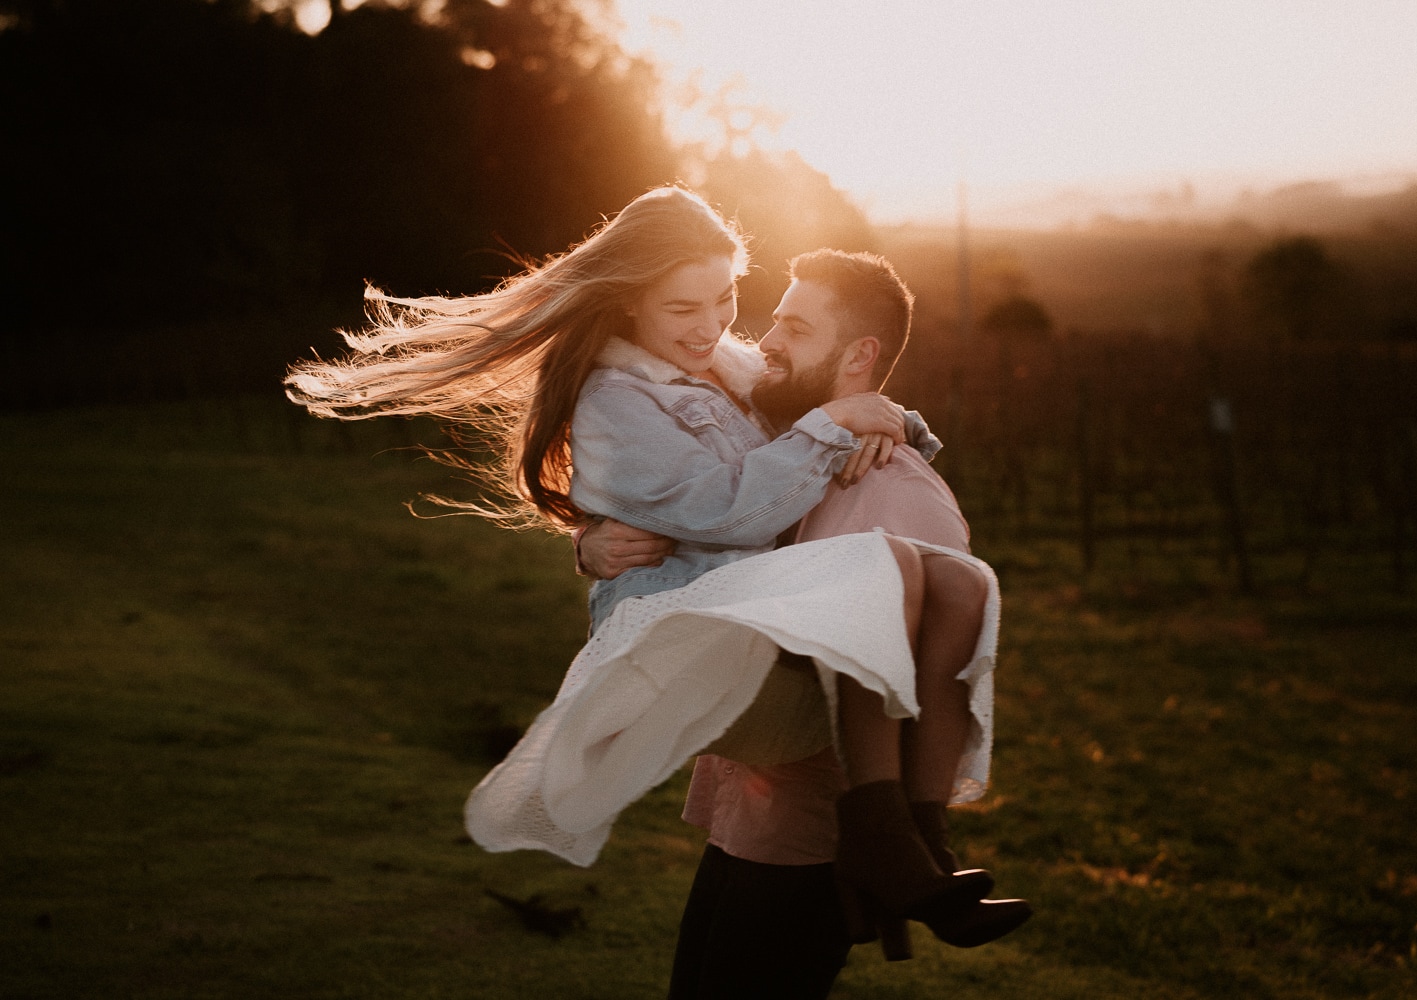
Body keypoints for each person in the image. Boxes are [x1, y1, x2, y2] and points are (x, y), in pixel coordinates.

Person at [283, 186, 1004, 960]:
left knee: (965, 583)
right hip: (689, 629)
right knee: (886, 564)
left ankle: (920, 837)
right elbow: (725, 506)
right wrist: (834, 425)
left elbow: (799, 400)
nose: (716, 327)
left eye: (725, 300)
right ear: (630, 303)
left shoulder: (727, 370)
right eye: (683, 308)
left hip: (764, 647)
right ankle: (883, 835)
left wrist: (889, 418)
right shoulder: (617, 397)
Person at [580, 250, 1031, 997]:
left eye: (795, 327)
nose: (766, 342)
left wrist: (897, 839)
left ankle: (910, 852)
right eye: (773, 320)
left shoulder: (895, 485)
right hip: (747, 818)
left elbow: (928, 673)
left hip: (812, 841)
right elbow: (694, 506)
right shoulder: (788, 454)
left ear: (858, 356)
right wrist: (594, 542)